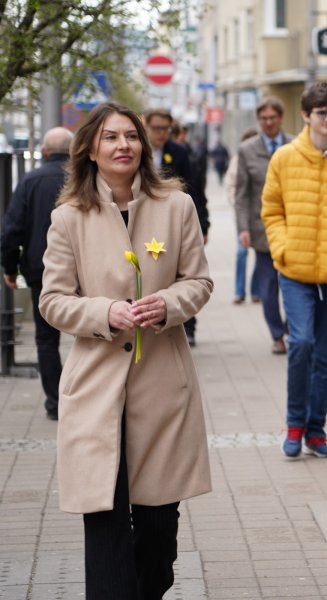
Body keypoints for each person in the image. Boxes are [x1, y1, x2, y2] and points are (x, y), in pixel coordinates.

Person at [39, 102, 213, 600]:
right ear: (91, 148)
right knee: (107, 529)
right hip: (96, 391)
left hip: (161, 388)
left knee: (158, 532)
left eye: (131, 136)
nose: (123, 146)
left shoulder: (176, 206)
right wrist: (103, 314)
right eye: (111, 137)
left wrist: (168, 304)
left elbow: (199, 281)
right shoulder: (68, 217)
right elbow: (52, 300)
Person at [261, 82, 327, 459]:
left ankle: (316, 430)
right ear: (305, 115)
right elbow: (272, 211)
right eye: (320, 112)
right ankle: (294, 424)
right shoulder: (285, 158)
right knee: (301, 344)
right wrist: (283, 247)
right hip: (295, 271)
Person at [1, 127, 74, 420]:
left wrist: (10, 268)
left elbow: (11, 230)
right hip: (84, 269)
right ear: (72, 152)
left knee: (46, 339)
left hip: (41, 270)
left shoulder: (30, 181)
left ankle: (56, 403)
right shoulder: (85, 178)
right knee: (96, 333)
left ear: (44, 152)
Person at [144, 108, 209, 346]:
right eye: (157, 128)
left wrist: (203, 224)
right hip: (147, 222)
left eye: (166, 129)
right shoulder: (138, 151)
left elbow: (194, 189)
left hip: (176, 223)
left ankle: (188, 327)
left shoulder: (178, 153)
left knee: (186, 275)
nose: (162, 134)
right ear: (146, 126)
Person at [236, 98, 294, 356]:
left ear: (280, 118)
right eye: (264, 119)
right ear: (258, 121)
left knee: (294, 284)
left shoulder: (295, 144)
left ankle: (292, 326)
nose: (269, 123)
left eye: (273, 118)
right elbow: (242, 194)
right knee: (268, 287)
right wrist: (243, 228)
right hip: (263, 231)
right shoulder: (247, 149)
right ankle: (277, 335)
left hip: (295, 229)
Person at [227, 129, 262, 306]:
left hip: (260, 215)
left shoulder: (263, 158)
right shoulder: (238, 160)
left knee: (260, 253)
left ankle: (256, 290)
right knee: (242, 252)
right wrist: (237, 206)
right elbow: (232, 185)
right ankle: (239, 291)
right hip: (243, 215)